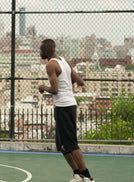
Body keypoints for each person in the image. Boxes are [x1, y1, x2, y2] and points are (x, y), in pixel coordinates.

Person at [38, 39, 95, 182]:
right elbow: (80, 82)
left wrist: (43, 88)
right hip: (69, 104)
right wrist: (67, 82)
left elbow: (55, 90)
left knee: (70, 143)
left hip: (63, 106)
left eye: (41, 50)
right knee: (61, 145)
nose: (40, 52)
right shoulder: (64, 61)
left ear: (46, 50)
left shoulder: (51, 65)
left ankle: (88, 176)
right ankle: (77, 174)